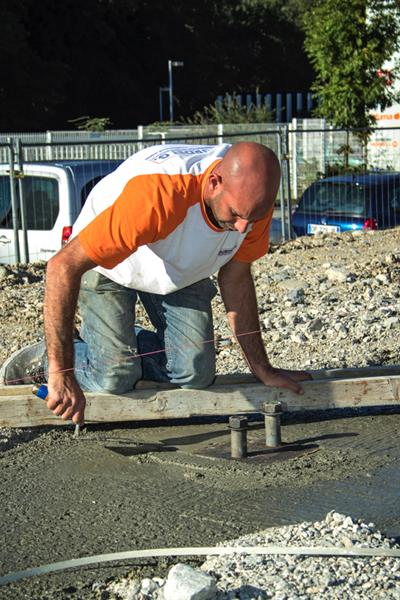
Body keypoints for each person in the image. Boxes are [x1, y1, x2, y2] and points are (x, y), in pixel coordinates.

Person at [0, 142, 310, 423]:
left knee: (195, 373)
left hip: (179, 266)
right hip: (112, 265)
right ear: (215, 182)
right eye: (236, 214)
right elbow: (61, 267)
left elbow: (237, 277)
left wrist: (262, 368)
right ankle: (46, 358)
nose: (242, 227)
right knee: (115, 377)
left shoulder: (253, 202)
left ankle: (118, 344)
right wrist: (61, 372)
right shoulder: (158, 195)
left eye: (251, 218)